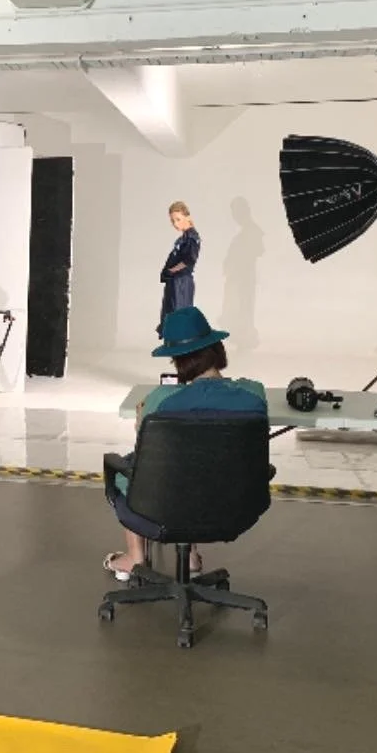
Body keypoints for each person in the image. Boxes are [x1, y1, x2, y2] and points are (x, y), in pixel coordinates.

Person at [103, 306, 267, 581]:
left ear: (178, 361)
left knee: (140, 468)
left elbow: (148, 449)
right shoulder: (254, 393)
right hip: (237, 506)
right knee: (205, 464)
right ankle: (190, 557)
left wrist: (141, 421)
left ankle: (135, 558)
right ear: (217, 349)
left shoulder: (161, 399)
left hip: (166, 504)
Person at [158, 201, 200, 338]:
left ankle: (183, 347)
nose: (175, 224)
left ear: (187, 217)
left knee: (179, 315)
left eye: (178, 219)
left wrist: (172, 271)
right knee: (172, 316)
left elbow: (189, 260)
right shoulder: (183, 238)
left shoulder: (191, 237)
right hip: (175, 282)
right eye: (172, 221)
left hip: (181, 282)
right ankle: (175, 347)